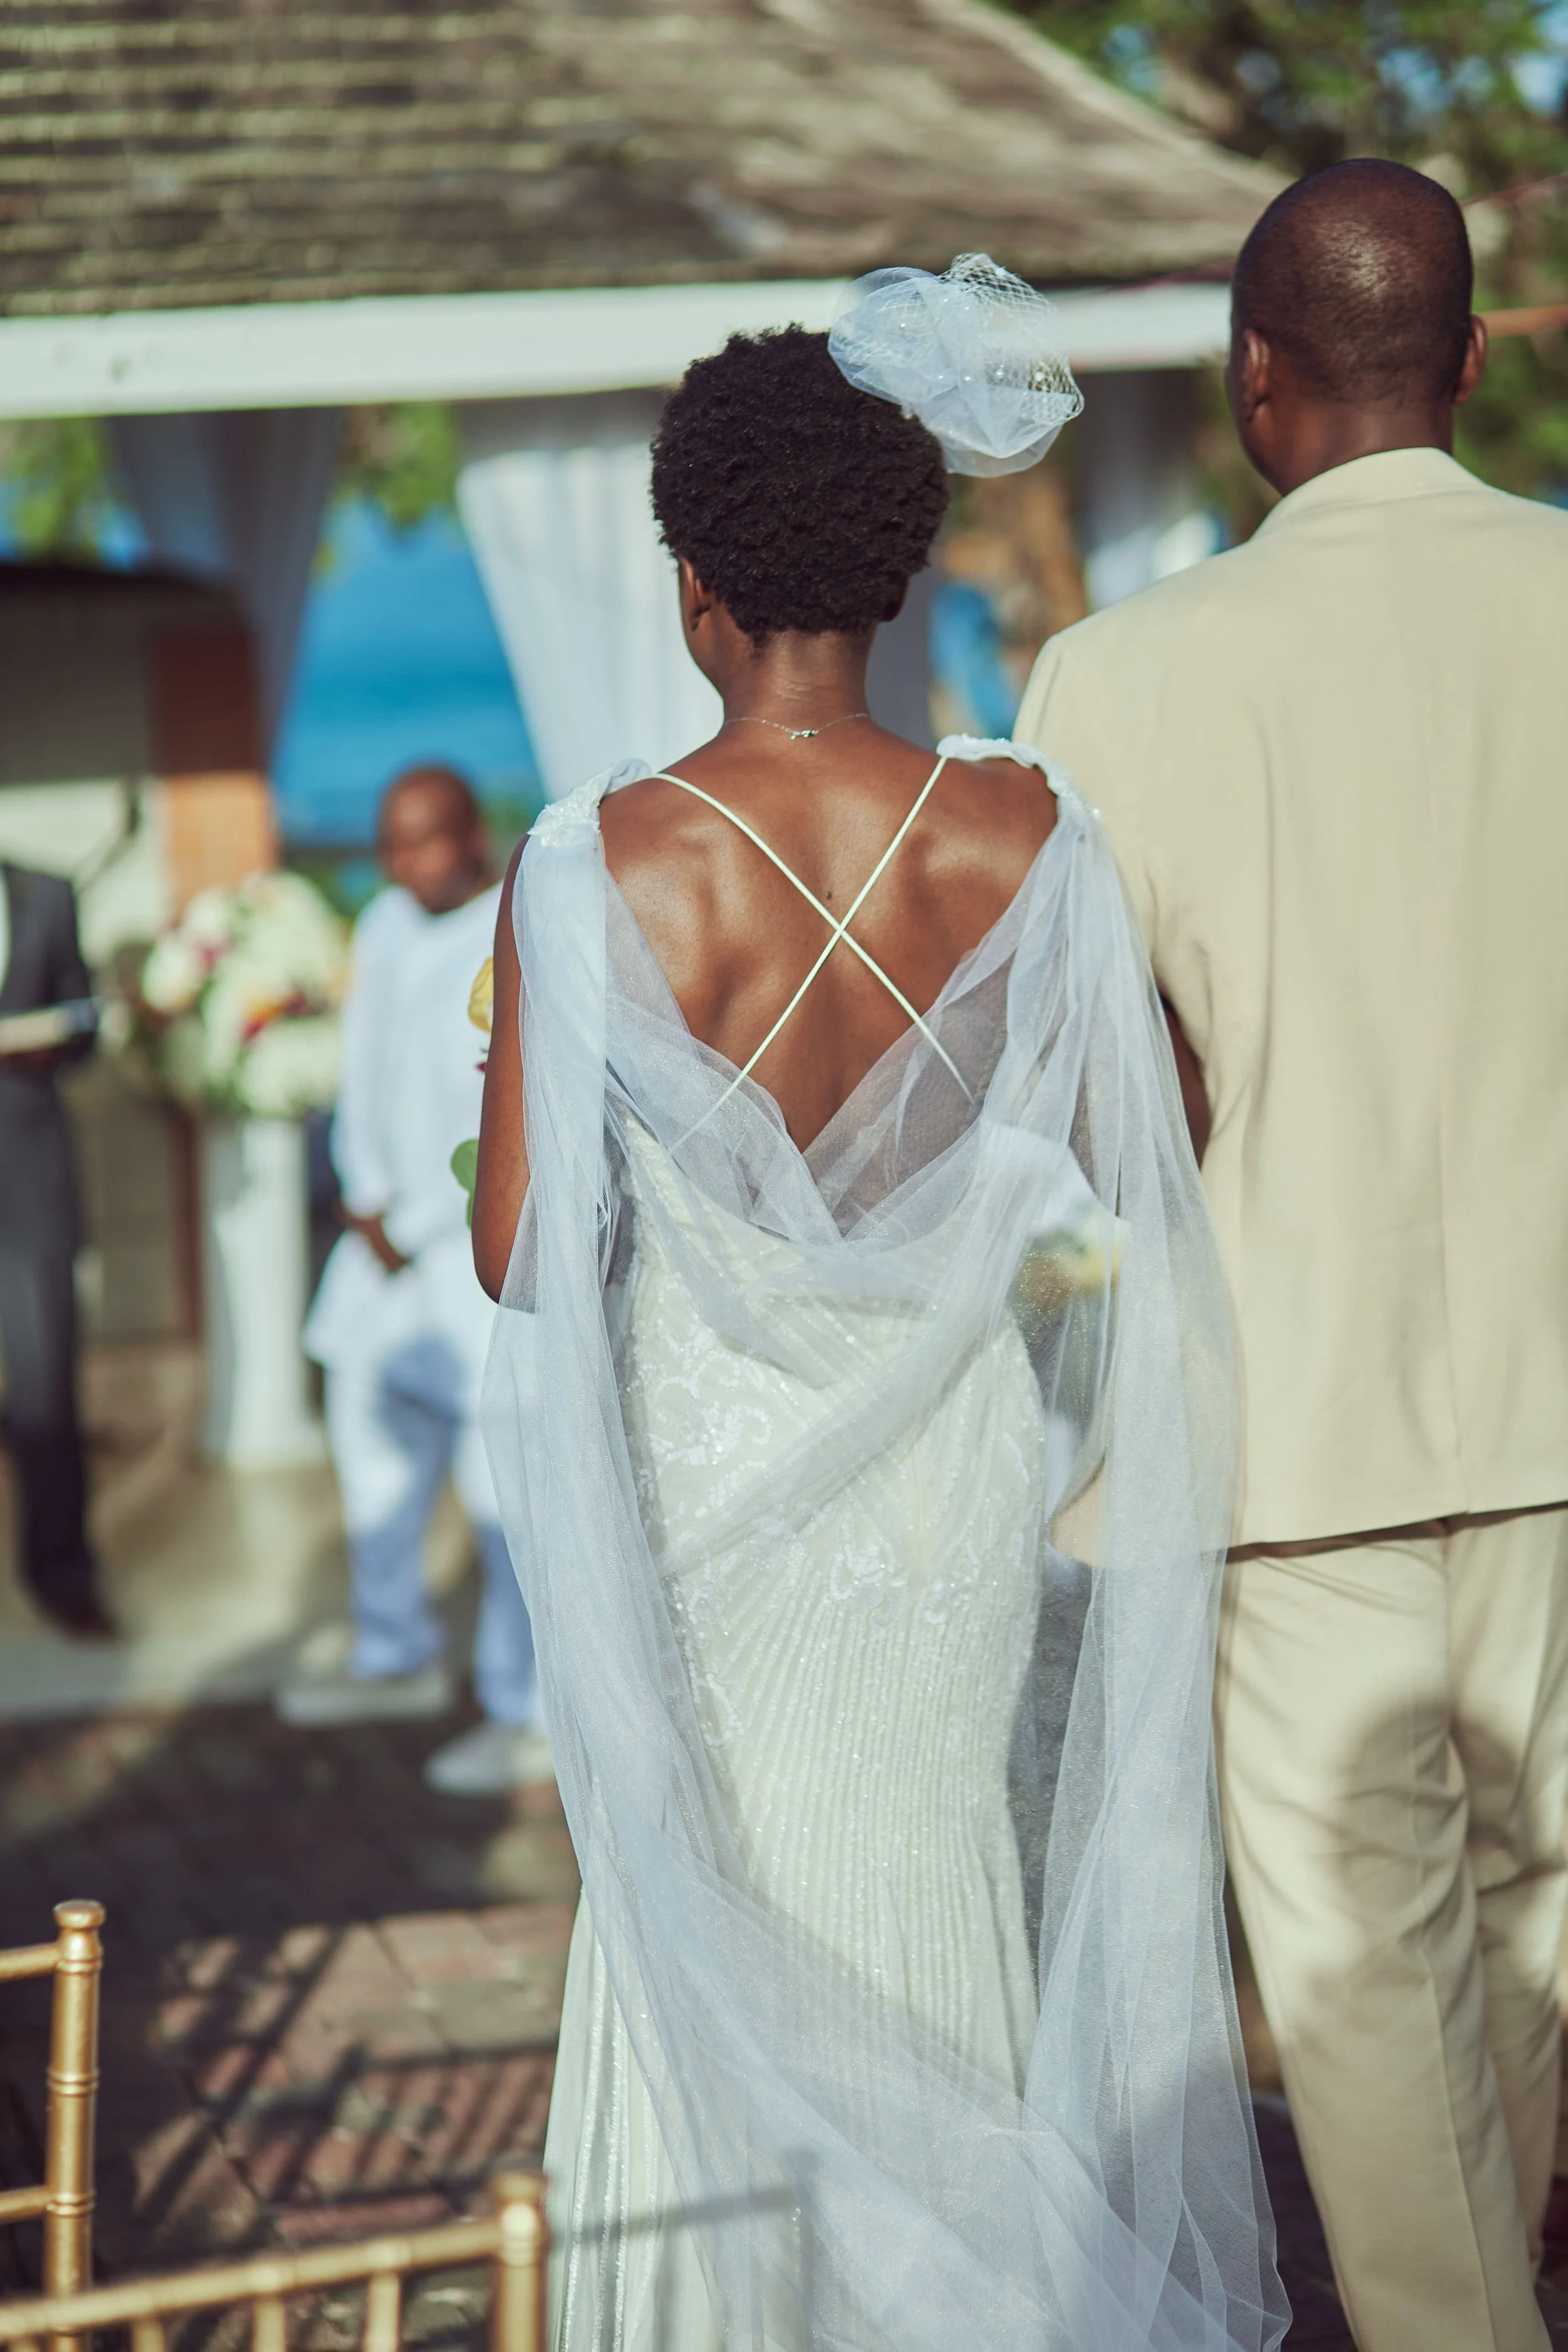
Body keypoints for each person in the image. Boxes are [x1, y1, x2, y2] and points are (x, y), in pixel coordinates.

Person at [475, 278, 1286, 2352]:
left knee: (717, 1930)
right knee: (935, 1918)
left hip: (710, 1510)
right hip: (944, 1501)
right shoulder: (1031, 837)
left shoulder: (594, 870)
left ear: (694, 586)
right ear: (899, 565)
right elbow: (1148, 1149)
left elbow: (512, 1251)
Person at [1017, 159, 1568, 2352]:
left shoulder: (1121, 672)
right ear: (1460, 364)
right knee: (1538, 1925)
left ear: (1258, 386)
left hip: (1295, 1413)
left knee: (1363, 1980)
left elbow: (1097, 1101)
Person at [278, 765, 549, 1798]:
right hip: (375, 1236)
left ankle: (524, 1711)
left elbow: (500, 1117)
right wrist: (359, 1191)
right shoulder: (388, 925)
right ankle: (393, 1651)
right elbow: (363, 1065)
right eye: (389, 845)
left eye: (423, 842)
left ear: (471, 836)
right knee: (370, 1441)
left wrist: (420, 1216)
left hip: (460, 1248)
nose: (402, 865)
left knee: (498, 1495)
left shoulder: (512, 932)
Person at [0, 861, 110, 1640]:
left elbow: (84, 1024)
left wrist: (59, 1046)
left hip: (27, 1178)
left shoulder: (45, 895)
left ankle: (64, 1572)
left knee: (46, 1389)